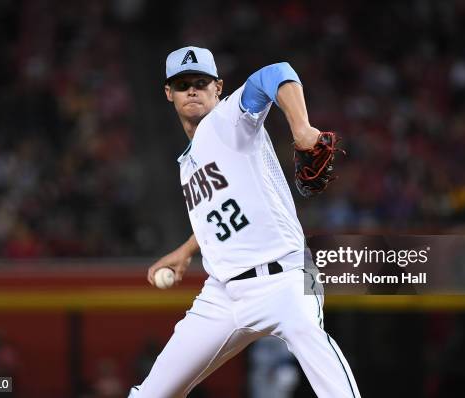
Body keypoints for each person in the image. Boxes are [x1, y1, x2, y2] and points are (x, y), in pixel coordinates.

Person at [130, 46, 360, 397]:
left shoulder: (229, 119)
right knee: (151, 394)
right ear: (168, 93)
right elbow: (222, 215)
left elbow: (276, 73)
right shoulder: (186, 162)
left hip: (286, 277)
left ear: (218, 88)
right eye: (182, 84)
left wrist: (301, 128)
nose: (192, 89)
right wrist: (185, 250)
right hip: (223, 293)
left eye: (200, 82)